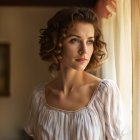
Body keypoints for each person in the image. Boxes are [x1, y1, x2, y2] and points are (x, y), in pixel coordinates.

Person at [24, 7, 127, 140]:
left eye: (90, 41)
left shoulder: (105, 92)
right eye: (74, 40)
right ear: (57, 44)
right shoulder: (39, 97)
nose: (84, 50)